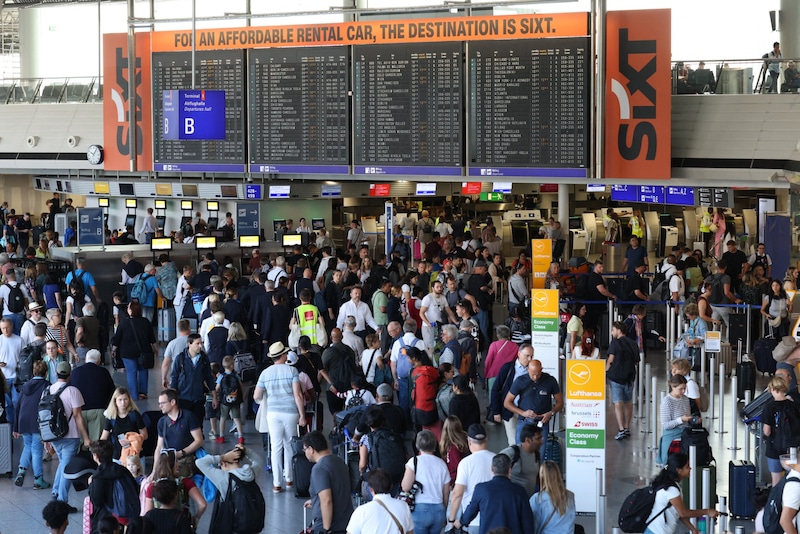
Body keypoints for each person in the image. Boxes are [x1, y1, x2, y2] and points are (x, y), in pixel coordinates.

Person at [254, 341, 306, 494]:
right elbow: (298, 395)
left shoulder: (265, 373)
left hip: (273, 414)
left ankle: (277, 483)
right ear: (283, 355)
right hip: (290, 412)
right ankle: (289, 479)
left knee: (275, 447)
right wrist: (302, 415)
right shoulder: (292, 371)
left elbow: (256, 395)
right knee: (289, 446)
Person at [455, 453, 534, 534]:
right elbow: (527, 521)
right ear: (509, 470)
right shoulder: (519, 491)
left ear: (492, 469)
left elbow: (471, 510)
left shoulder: (481, 489)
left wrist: (461, 521)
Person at [49, 361, 91, 510]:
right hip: (70, 435)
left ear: (56, 374)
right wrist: (86, 438)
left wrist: (45, 439)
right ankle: (62, 502)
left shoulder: (48, 390)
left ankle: (55, 493)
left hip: (53, 436)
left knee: (62, 463)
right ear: (70, 374)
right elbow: (78, 416)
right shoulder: (73, 391)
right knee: (66, 467)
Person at [644, 452, 719, 533]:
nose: (690, 469)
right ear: (678, 470)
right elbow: (683, 513)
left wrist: (693, 529)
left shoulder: (670, 484)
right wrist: (707, 511)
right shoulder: (671, 489)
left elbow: (679, 513)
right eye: (687, 466)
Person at [196, 443, 261, 533]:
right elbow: (258, 460)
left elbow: (199, 462)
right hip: (249, 523)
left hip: (232, 525)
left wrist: (222, 457)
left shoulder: (224, 478)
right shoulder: (251, 473)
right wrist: (246, 451)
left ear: (224, 464)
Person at [302, 430, 354, 534]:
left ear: (311, 449)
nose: (305, 453)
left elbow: (326, 500)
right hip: (346, 523)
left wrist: (326, 529)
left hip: (328, 526)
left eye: (304, 449)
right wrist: (315, 501)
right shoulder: (339, 461)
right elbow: (338, 490)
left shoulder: (319, 468)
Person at [399, 430, 449, 534]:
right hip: (438, 510)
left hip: (420, 510)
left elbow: (405, 487)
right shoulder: (442, 464)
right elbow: (446, 493)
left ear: (418, 445)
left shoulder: (414, 461)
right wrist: (444, 510)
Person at [503, 358, 563, 445]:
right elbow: (507, 402)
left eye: (538, 374)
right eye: (532, 374)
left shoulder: (550, 381)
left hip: (542, 422)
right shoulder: (520, 381)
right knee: (521, 450)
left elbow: (560, 402)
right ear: (528, 370)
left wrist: (551, 412)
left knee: (540, 453)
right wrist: (523, 413)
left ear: (541, 370)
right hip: (524, 421)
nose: (535, 377)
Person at [448, 423, 495, 531]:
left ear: (469, 441)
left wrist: (451, 519)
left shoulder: (465, 463)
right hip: (494, 519)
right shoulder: (496, 459)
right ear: (486, 439)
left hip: (473, 521)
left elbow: (457, 494)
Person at [13, 360, 50, 490]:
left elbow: (17, 406)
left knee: (27, 446)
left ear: (33, 372)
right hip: (37, 421)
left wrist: (15, 427)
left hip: (23, 420)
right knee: (37, 450)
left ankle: (21, 471)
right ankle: (38, 479)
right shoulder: (47, 386)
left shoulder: (25, 386)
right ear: (46, 373)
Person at [88, 439, 140, 529]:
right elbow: (135, 488)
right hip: (128, 516)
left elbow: (97, 501)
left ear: (95, 456)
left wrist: (91, 485)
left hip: (106, 519)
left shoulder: (98, 476)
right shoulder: (123, 470)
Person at [152, 388, 204, 479]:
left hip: (186, 460)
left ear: (172, 402)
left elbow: (199, 440)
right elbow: (159, 447)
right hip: (170, 462)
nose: (160, 406)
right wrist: (154, 471)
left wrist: (181, 453)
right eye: (159, 403)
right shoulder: (162, 422)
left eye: (162, 403)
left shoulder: (188, 417)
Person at [170, 333, 217, 434]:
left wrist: (214, 396)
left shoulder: (204, 359)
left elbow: (209, 378)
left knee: (198, 425)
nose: (200, 346)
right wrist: (172, 398)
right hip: (183, 398)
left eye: (201, 343)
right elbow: (174, 377)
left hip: (198, 398)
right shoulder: (181, 358)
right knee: (183, 425)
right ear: (189, 344)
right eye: (197, 343)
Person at [111, 300, 157, 400]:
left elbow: (117, 338)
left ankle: (134, 395)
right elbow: (152, 338)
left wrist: (114, 350)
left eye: (128, 307)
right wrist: (155, 349)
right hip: (144, 351)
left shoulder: (123, 323)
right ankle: (143, 393)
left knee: (131, 372)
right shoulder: (146, 322)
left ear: (131, 311)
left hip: (128, 353)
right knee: (143, 371)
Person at [68, 348, 115, 441]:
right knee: (97, 442)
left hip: (79, 411)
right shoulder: (104, 372)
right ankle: (94, 455)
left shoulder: (75, 372)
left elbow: (70, 391)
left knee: (82, 441)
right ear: (99, 360)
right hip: (98, 410)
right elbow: (112, 392)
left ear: (85, 359)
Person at [762, 376, 800, 486]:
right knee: (793, 478)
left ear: (772, 389)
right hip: (791, 449)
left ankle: (777, 501)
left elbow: (767, 431)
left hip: (774, 448)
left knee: (776, 481)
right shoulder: (794, 405)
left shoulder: (769, 407)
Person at [606, 321, 640, 440]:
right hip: (629, 376)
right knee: (628, 402)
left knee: (618, 403)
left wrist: (606, 371)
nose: (612, 332)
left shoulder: (615, 343)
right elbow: (637, 361)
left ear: (618, 330)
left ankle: (621, 429)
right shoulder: (633, 343)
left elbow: (611, 359)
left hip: (616, 377)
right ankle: (626, 427)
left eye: (613, 330)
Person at [99, 386, 148, 461]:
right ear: (115, 401)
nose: (123, 403)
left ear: (129, 400)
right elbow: (103, 438)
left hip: (135, 456)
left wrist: (131, 439)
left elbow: (145, 435)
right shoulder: (111, 417)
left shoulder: (134, 415)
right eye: (120, 400)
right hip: (118, 456)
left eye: (125, 399)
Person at [529, 461, 576, 534]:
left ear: (542, 476)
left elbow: (533, 526)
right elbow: (570, 523)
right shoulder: (570, 496)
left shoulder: (537, 499)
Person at [657, 375, 694, 467]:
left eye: (684, 388)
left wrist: (693, 420)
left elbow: (687, 417)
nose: (683, 391)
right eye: (680, 389)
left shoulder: (685, 399)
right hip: (673, 435)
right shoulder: (667, 401)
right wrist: (681, 420)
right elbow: (665, 425)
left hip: (685, 432)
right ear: (673, 387)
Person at [500, 423, 542, 497]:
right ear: (528, 440)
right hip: (514, 501)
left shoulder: (536, 454)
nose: (542, 442)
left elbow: (538, 478)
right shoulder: (512, 453)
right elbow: (496, 465)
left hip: (528, 501)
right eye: (538, 438)